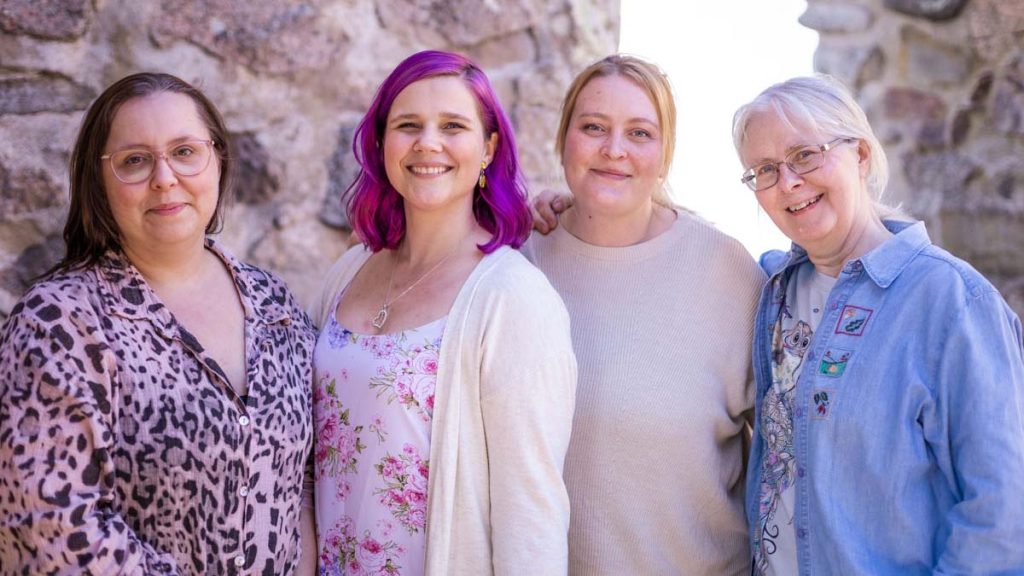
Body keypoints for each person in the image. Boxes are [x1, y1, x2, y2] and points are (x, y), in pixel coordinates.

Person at [0, 73, 317, 573]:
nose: (165, 177)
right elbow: (50, 529)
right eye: (135, 161)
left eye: (185, 151)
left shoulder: (274, 303)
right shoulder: (60, 323)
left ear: (218, 160)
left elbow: (300, 483)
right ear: (99, 185)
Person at [732, 74, 1024, 574]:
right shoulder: (771, 287)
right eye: (764, 169)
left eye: (805, 155)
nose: (788, 182)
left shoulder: (951, 301)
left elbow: (1003, 510)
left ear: (861, 156)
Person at [309, 50, 576, 575]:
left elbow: (532, 510)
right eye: (408, 125)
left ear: (488, 148)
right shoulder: (348, 271)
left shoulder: (512, 297)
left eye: (452, 125)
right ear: (383, 142)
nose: (427, 142)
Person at [525, 54, 765, 574]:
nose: (614, 151)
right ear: (563, 138)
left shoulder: (725, 270)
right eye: (593, 128)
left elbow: (789, 455)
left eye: (639, 132)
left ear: (665, 153)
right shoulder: (517, 264)